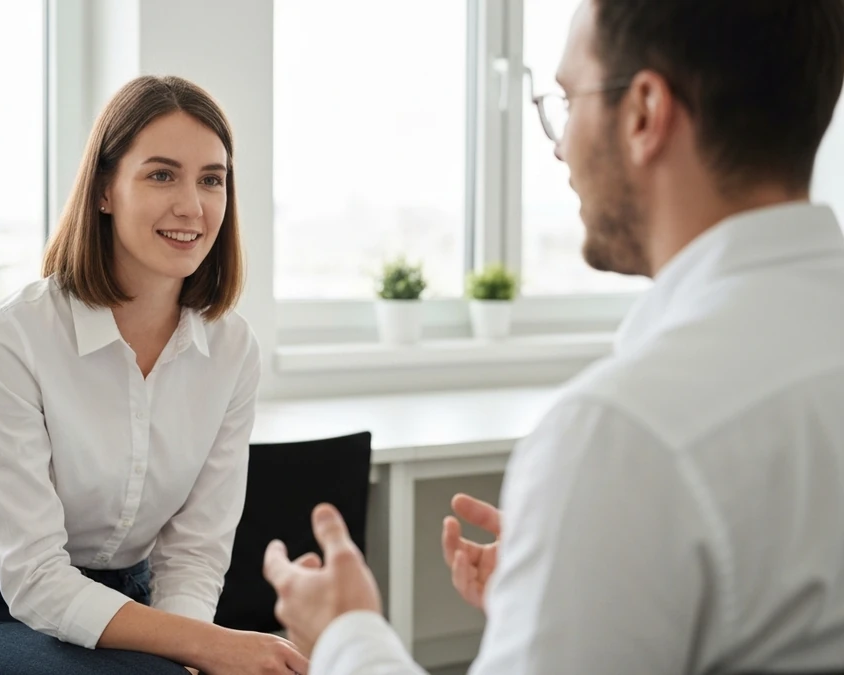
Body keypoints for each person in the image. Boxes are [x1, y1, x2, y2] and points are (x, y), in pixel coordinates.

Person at [263, 0, 844, 673]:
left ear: (644, 114)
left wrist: (346, 633)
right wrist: (571, 583)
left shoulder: (622, 435)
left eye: (567, 99)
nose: (560, 144)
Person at [0, 75, 309, 675]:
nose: (192, 206)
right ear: (104, 191)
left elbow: (194, 555)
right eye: (161, 174)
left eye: (211, 179)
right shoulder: (17, 334)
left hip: (136, 608)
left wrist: (192, 655)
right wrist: (211, 646)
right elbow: (38, 580)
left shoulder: (231, 350)